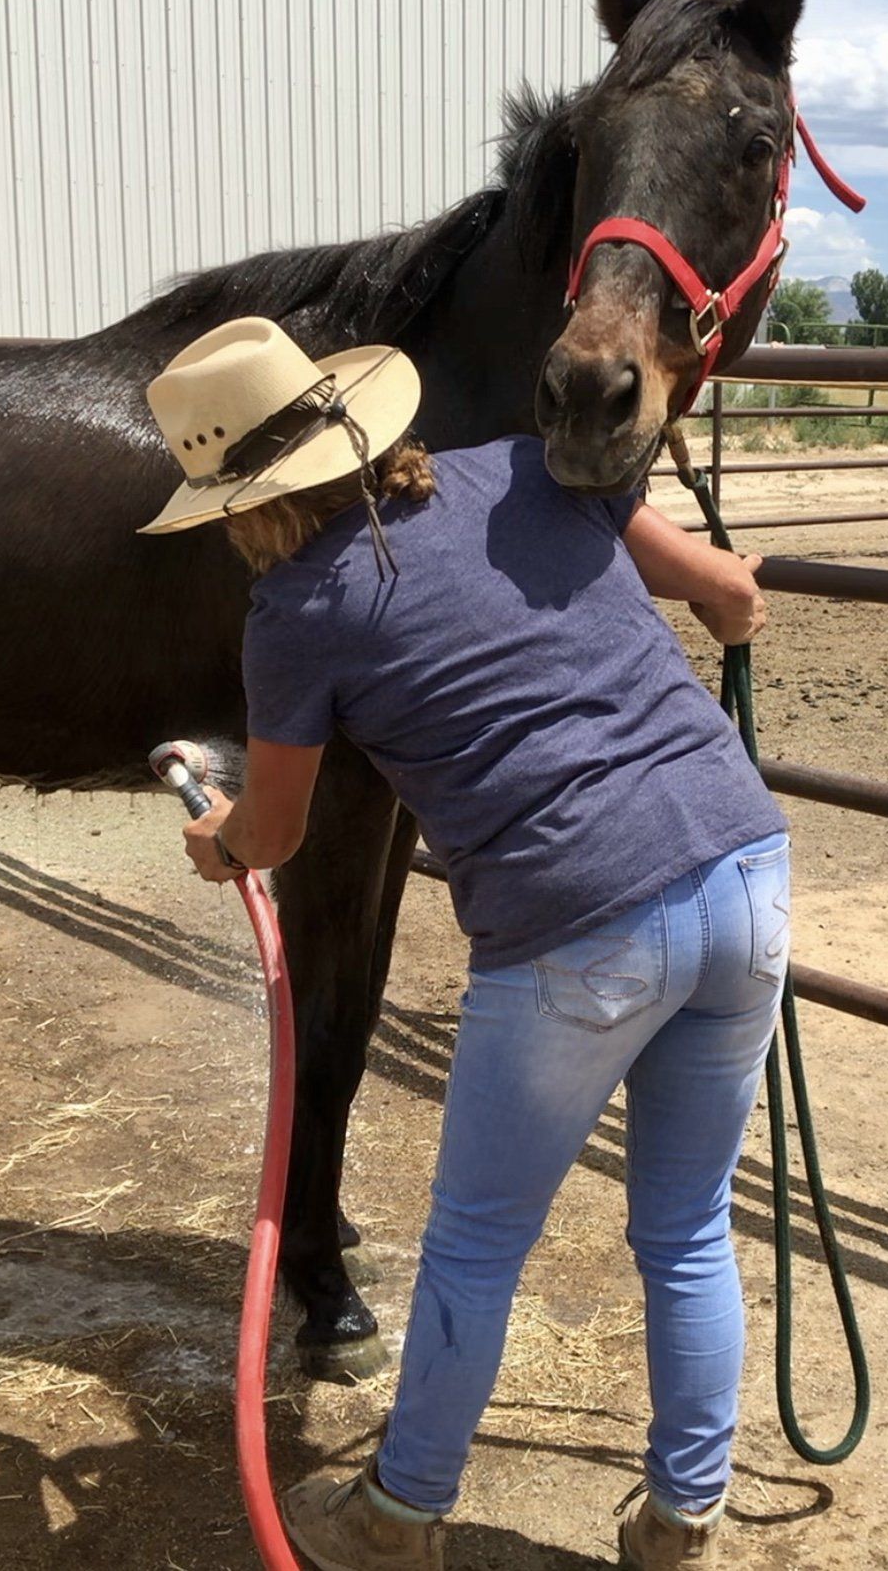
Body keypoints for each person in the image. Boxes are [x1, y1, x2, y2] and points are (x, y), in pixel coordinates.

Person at [143, 316, 789, 1571]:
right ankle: (679, 1514)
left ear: (241, 503)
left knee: (478, 1242)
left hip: (575, 925)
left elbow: (274, 833)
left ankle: (399, 1512)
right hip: (740, 867)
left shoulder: (296, 609)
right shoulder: (519, 469)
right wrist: (723, 593)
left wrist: (217, 838)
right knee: (687, 1224)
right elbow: (716, 585)